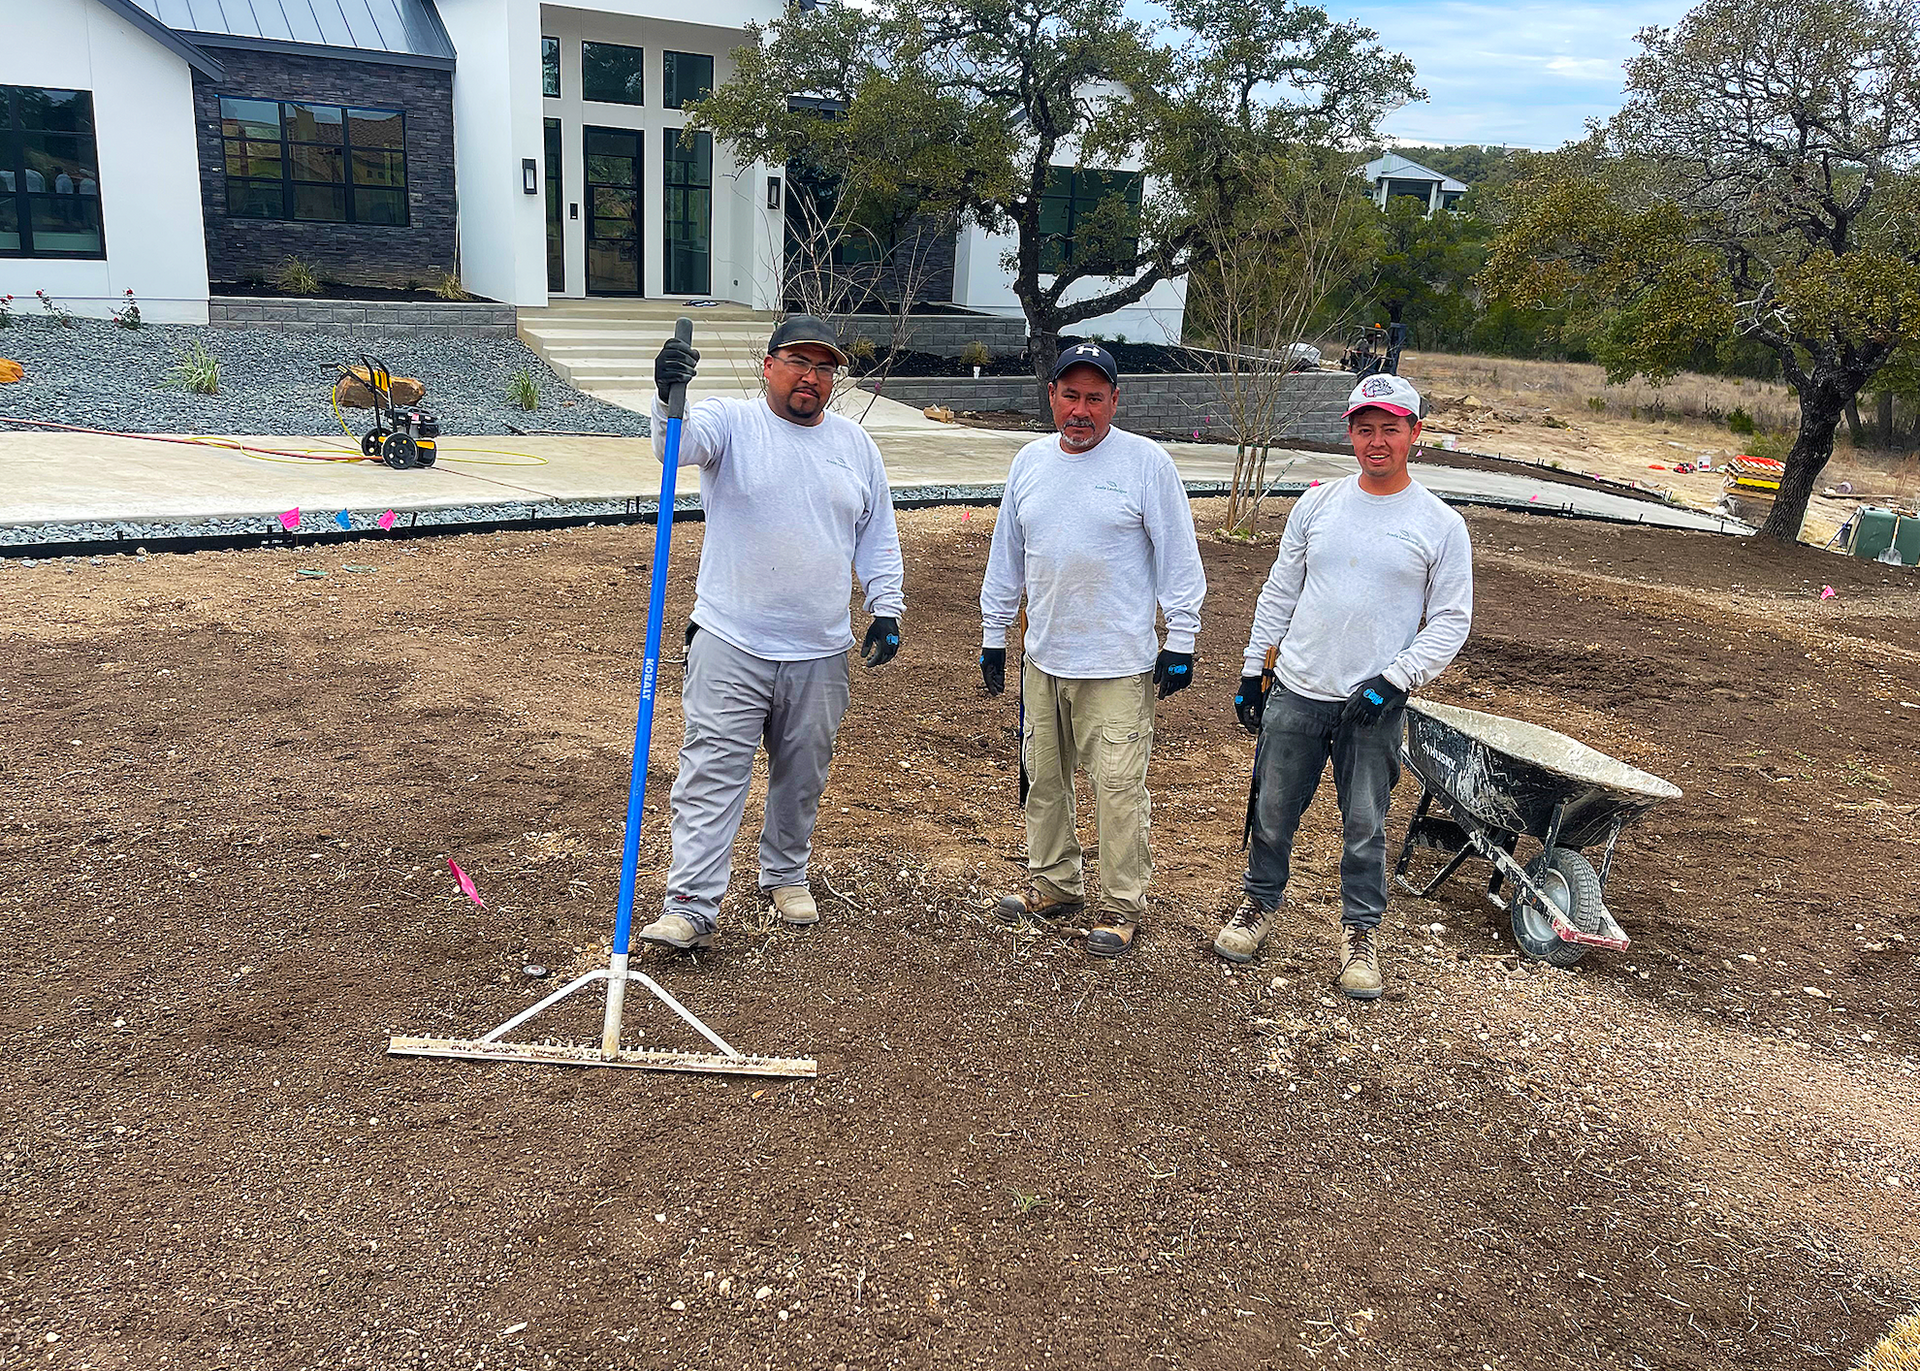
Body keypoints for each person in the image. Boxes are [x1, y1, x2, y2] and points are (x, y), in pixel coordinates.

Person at [638, 315, 906, 952]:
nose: (810, 377)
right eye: (797, 362)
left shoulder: (854, 446)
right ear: (768, 365)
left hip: (821, 647)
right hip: (731, 639)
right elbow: (673, 444)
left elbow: (877, 532)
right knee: (710, 772)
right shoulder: (731, 423)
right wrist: (663, 393)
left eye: (823, 367)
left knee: (802, 771)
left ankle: (784, 872)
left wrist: (887, 606)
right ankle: (691, 905)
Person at [1216, 372, 1472, 997]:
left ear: (1415, 433)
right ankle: (1257, 907)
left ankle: (1360, 935)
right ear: (1350, 434)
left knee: (1365, 826)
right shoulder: (1318, 504)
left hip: (1373, 704)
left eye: (1390, 429)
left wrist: (1396, 678)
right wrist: (1255, 670)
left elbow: (1451, 620)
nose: (1376, 441)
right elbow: (1281, 590)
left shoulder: (1439, 524)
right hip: (1299, 688)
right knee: (1272, 813)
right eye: (1364, 429)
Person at [978, 341, 1207, 958]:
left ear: (1114, 402)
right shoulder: (1029, 462)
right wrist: (993, 635)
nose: (1081, 411)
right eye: (1070, 396)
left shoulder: (1145, 465)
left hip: (1117, 662)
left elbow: (1179, 559)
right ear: (1051, 395)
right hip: (1044, 656)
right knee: (1043, 779)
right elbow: (1008, 556)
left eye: (1095, 398)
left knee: (1117, 787)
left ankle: (1120, 902)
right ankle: (1054, 883)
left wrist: (1180, 638)